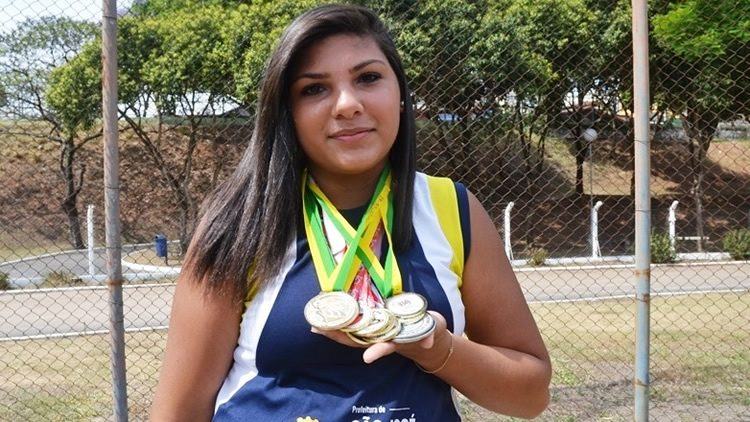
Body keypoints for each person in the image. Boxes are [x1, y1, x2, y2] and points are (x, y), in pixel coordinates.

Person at [151, 4, 551, 421]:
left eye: (368, 78)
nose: (347, 104)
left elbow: (529, 395)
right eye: (314, 89)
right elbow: (178, 411)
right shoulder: (242, 221)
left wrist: (438, 347)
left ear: (399, 96)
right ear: (288, 113)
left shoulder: (451, 207)